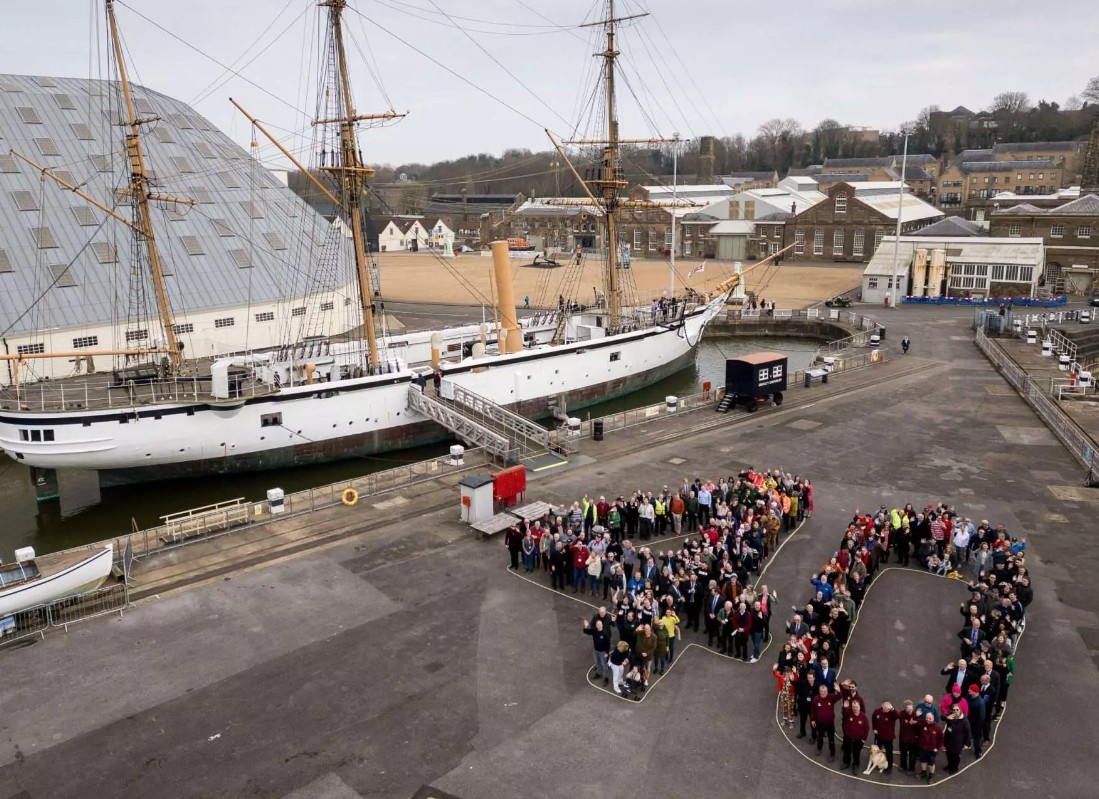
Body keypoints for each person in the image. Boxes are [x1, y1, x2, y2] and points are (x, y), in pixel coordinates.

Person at [810, 684, 841, 761]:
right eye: (821, 691)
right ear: (819, 691)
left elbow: (839, 697)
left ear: (827, 691)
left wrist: (838, 691)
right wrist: (813, 720)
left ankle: (832, 754)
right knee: (820, 737)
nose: (823, 693)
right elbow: (813, 710)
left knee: (831, 740)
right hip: (820, 724)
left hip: (830, 724)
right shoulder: (816, 699)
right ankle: (819, 748)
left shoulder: (831, 697)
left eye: (825, 691)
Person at [841, 699, 870, 774]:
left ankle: (855, 765)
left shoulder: (864, 717)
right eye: (853, 707)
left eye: (856, 707)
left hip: (858, 740)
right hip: (848, 738)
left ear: (859, 707)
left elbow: (867, 729)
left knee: (856, 753)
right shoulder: (848, 712)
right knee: (847, 751)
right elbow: (843, 713)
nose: (855, 708)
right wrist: (844, 707)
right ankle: (846, 763)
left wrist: (863, 739)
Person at [942, 704, 972, 775]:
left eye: (957, 710)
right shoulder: (951, 716)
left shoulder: (964, 721)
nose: (955, 711)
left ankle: (954, 768)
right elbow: (942, 717)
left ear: (960, 710)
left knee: (955, 756)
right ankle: (949, 765)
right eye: (954, 710)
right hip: (949, 740)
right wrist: (947, 717)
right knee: (948, 754)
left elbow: (968, 732)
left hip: (958, 743)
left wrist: (966, 743)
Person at [582, 617, 612, 686]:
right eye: (597, 625)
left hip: (603, 652)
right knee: (597, 663)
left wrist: (607, 653)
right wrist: (586, 626)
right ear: (596, 625)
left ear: (602, 625)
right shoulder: (594, 630)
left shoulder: (605, 633)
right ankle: (599, 673)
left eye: (600, 624)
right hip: (596, 650)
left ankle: (606, 678)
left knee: (604, 665)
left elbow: (608, 644)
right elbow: (586, 631)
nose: (599, 626)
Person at [872, 700, 899, 774]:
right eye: (885, 707)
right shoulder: (877, 712)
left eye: (888, 708)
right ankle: (876, 762)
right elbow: (874, 720)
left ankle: (889, 767)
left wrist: (892, 709)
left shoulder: (892, 714)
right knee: (877, 750)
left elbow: (897, 716)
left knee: (889, 753)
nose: (886, 709)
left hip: (888, 738)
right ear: (882, 705)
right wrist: (874, 728)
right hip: (878, 736)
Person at [916, 711, 944, 783]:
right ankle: (923, 773)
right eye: (927, 718)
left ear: (933, 718)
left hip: (931, 750)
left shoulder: (937, 728)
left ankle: (931, 775)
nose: (928, 719)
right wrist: (917, 716)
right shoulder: (922, 723)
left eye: (930, 718)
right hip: (922, 748)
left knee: (931, 763)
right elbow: (916, 722)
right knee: (923, 761)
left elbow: (941, 739)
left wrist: (937, 748)